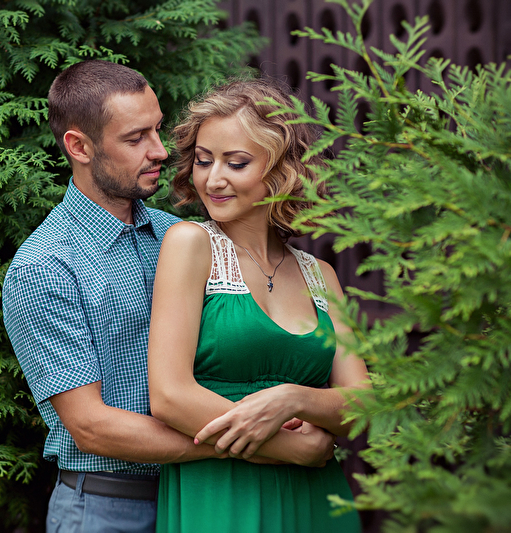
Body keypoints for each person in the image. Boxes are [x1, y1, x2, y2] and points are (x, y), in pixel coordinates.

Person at [2, 63, 335, 533]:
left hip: (203, 494)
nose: (160, 150)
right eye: (135, 138)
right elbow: (92, 427)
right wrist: (264, 445)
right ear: (79, 147)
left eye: (157, 129)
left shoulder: (182, 236)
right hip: (108, 507)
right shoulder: (45, 266)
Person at [147, 78, 371, 533]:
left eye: (237, 163)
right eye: (204, 160)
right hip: (220, 495)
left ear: (282, 170)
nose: (213, 179)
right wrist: (290, 448)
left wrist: (295, 398)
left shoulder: (320, 275)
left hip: (316, 500)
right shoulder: (189, 244)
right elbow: (169, 396)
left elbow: (362, 404)